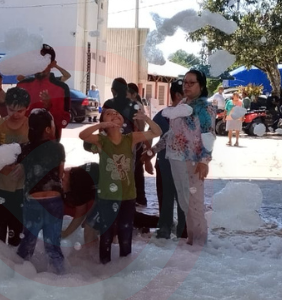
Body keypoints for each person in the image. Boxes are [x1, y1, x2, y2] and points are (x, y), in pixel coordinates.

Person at [79, 107, 162, 264]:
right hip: (107, 197)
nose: (114, 114)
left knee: (126, 232)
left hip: (128, 195)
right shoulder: (101, 141)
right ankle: (105, 268)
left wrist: (146, 119)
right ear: (104, 122)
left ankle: (124, 267)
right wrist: (100, 126)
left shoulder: (130, 138)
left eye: (117, 113)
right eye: (108, 114)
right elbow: (83, 135)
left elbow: (157, 132)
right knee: (106, 234)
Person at [164, 68, 215, 246]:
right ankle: (192, 239)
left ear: (201, 86)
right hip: (176, 158)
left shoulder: (205, 107)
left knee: (195, 203)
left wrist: (204, 161)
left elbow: (209, 134)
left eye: (191, 83)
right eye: (185, 82)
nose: (186, 86)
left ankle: (200, 243)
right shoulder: (182, 103)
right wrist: (154, 150)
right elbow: (173, 132)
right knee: (185, 202)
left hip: (193, 160)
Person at [16, 109, 66, 273]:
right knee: (53, 246)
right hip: (54, 200)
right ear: (48, 129)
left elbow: (18, 171)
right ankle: (60, 277)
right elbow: (60, 174)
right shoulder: (58, 148)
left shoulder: (24, 148)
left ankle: (20, 276)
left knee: (27, 243)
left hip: (33, 200)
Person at [0, 87, 30, 246]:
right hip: (0, 185)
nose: (15, 114)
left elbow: (39, 154)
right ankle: (0, 257)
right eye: (12, 110)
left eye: (20, 111)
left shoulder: (31, 126)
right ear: (6, 107)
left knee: (17, 229)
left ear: (27, 108)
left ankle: (14, 258)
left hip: (21, 187)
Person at [144, 78, 187, 239]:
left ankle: (166, 229)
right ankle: (181, 230)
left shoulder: (163, 114)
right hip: (172, 164)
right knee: (178, 197)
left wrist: (148, 157)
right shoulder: (183, 115)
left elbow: (149, 137)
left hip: (167, 163)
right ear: (178, 95)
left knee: (168, 197)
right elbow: (150, 137)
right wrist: (147, 158)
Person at [16, 58, 71, 141]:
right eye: (37, 65)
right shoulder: (23, 84)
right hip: (24, 139)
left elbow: (64, 121)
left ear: (50, 65)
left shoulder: (60, 86)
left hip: (50, 141)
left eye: (43, 64)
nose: (40, 68)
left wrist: (49, 107)